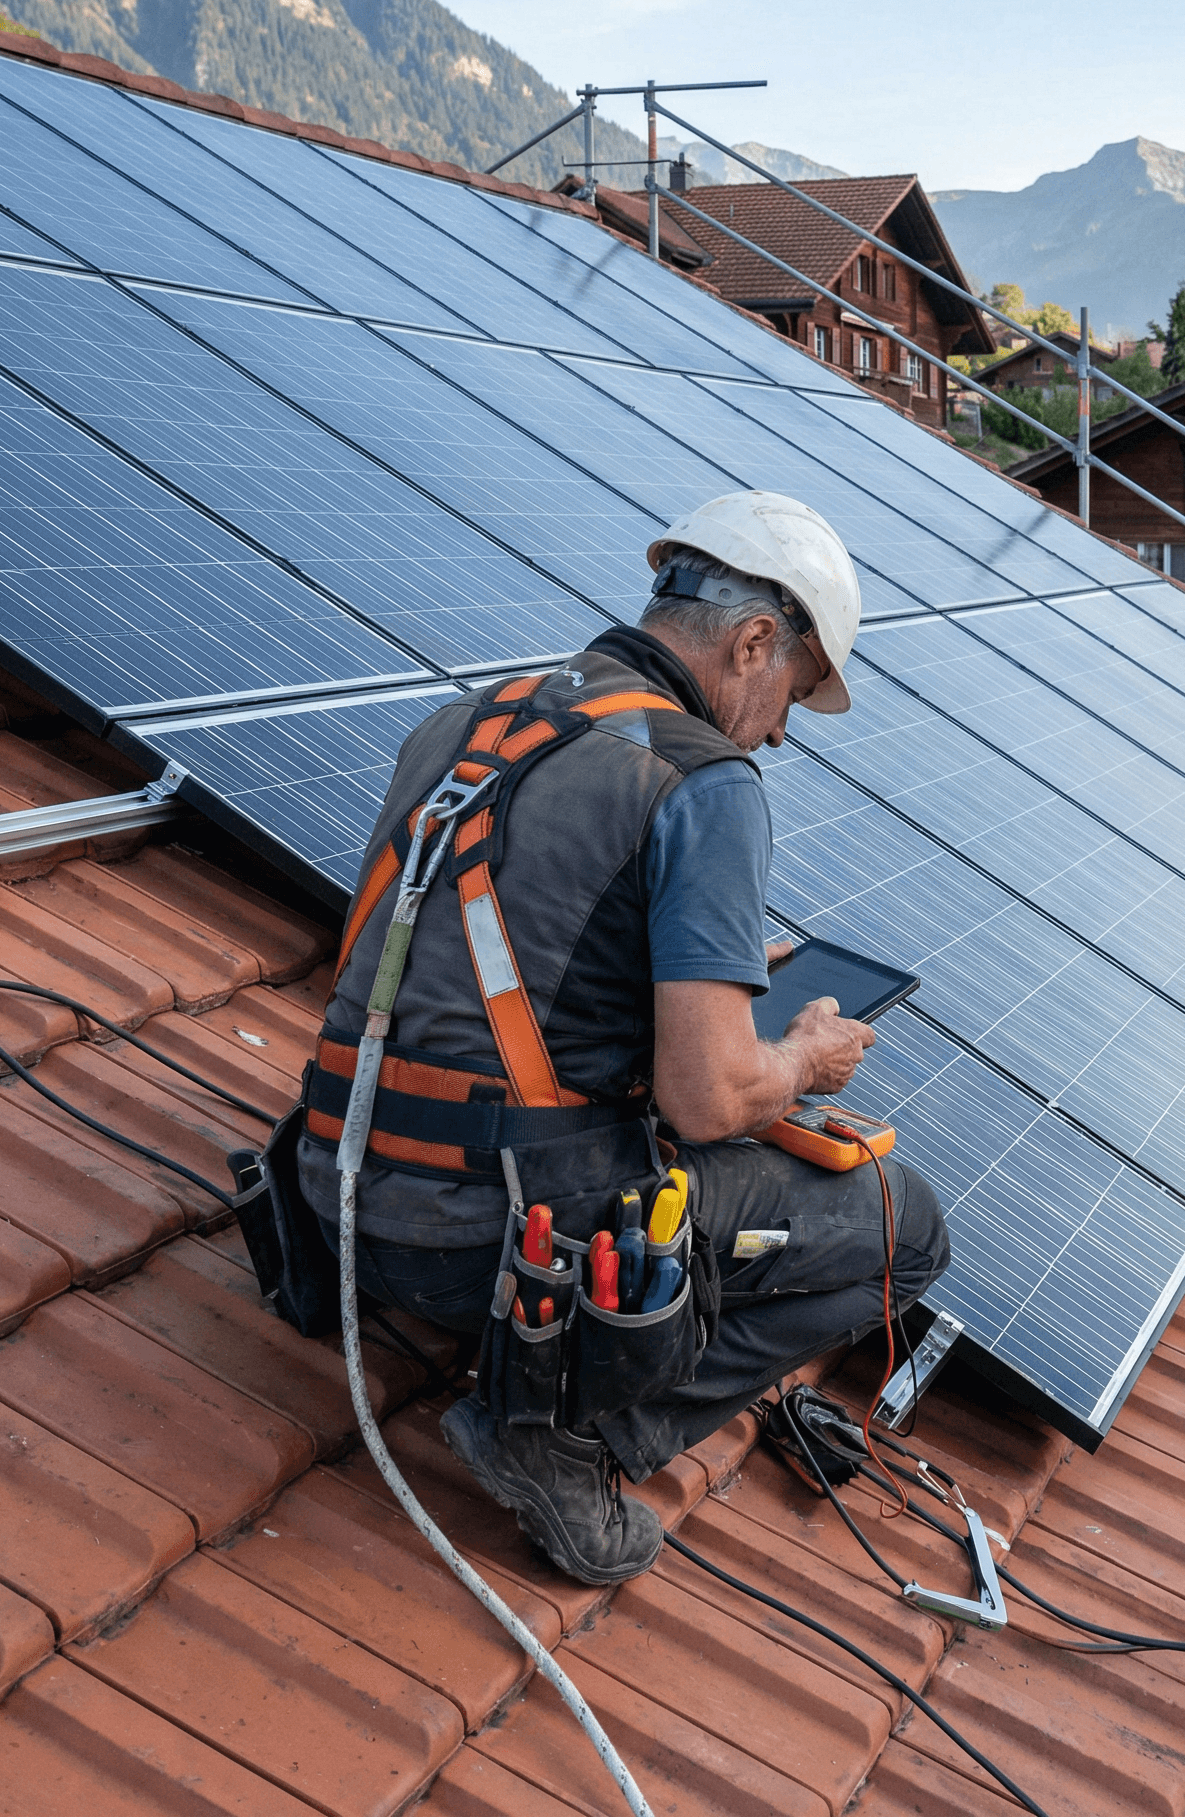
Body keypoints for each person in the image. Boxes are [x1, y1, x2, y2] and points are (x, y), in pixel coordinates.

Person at [299, 491, 950, 1584]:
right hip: (483, 1242)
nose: (782, 727)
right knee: (906, 1222)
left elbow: (455, 968)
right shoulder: (702, 777)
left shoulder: (470, 713)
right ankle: (567, 1440)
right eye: (789, 688)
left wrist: (670, 982)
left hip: (340, 1189)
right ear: (752, 640)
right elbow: (707, 1100)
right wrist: (798, 1060)